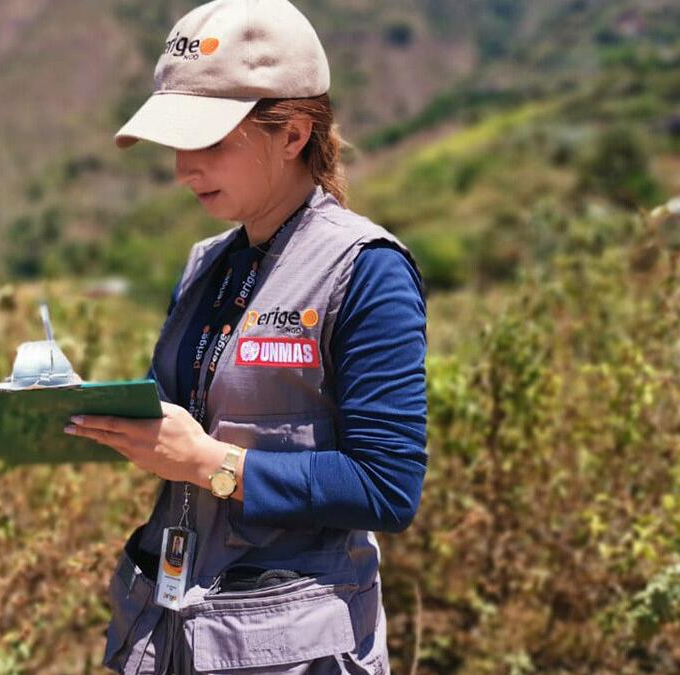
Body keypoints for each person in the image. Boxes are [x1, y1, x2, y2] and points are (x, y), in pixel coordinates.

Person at [63, 0, 427, 672]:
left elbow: (387, 485)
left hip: (288, 645)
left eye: (208, 142)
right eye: (176, 145)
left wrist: (212, 464)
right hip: (165, 626)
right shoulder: (206, 265)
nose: (183, 169)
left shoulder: (366, 270)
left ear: (292, 133)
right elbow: (183, 427)